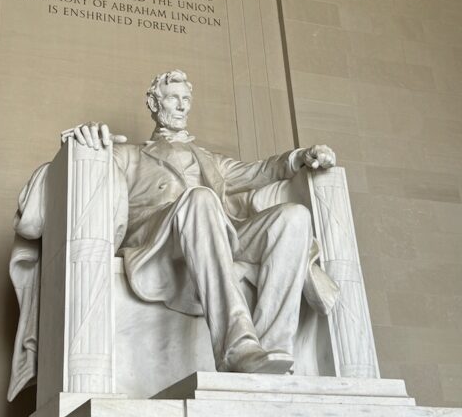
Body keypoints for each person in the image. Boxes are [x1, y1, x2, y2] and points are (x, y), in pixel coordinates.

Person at [69, 69, 339, 377]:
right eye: (173, 98)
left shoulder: (211, 160)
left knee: (294, 217)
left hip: (215, 232)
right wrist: (87, 138)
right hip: (158, 237)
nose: (182, 106)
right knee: (201, 198)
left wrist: (301, 157)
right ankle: (236, 347)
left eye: (186, 99)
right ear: (154, 104)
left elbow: (260, 171)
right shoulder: (130, 155)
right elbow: (89, 160)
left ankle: (274, 349)